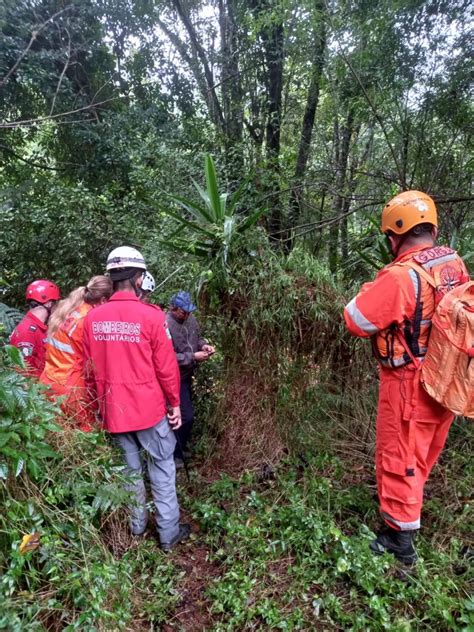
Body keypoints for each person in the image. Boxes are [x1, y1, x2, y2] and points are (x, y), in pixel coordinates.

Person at [344, 190, 469, 564]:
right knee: (422, 454)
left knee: (400, 458)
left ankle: (400, 543)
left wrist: (373, 287)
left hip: (409, 384)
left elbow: (355, 318)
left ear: (394, 234)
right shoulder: (453, 263)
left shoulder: (401, 277)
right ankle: (407, 510)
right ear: (430, 228)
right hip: (445, 378)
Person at [82, 247, 190, 551]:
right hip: (148, 410)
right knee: (162, 467)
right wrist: (175, 404)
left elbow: (89, 370)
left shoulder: (93, 320)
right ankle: (168, 533)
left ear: (112, 277)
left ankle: (136, 526)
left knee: (130, 472)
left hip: (113, 412)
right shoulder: (152, 317)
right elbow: (166, 367)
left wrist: (97, 407)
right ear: (139, 278)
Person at [40, 276, 113, 431]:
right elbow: (95, 362)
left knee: (56, 436)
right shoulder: (88, 320)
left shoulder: (70, 311)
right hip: (72, 389)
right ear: (103, 300)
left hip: (49, 382)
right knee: (87, 439)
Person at [166, 291, 215, 467]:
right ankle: (174, 455)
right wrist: (193, 356)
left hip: (187, 376)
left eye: (188, 311)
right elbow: (167, 357)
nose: (186, 315)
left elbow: (197, 338)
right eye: (182, 311)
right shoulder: (165, 325)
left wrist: (204, 345)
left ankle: (179, 448)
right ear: (173, 308)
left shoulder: (191, 320)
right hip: (173, 378)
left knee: (185, 416)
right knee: (185, 417)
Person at [10, 279, 61, 377]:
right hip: (36, 389)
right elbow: (23, 373)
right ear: (49, 303)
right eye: (56, 303)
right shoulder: (27, 332)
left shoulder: (38, 327)